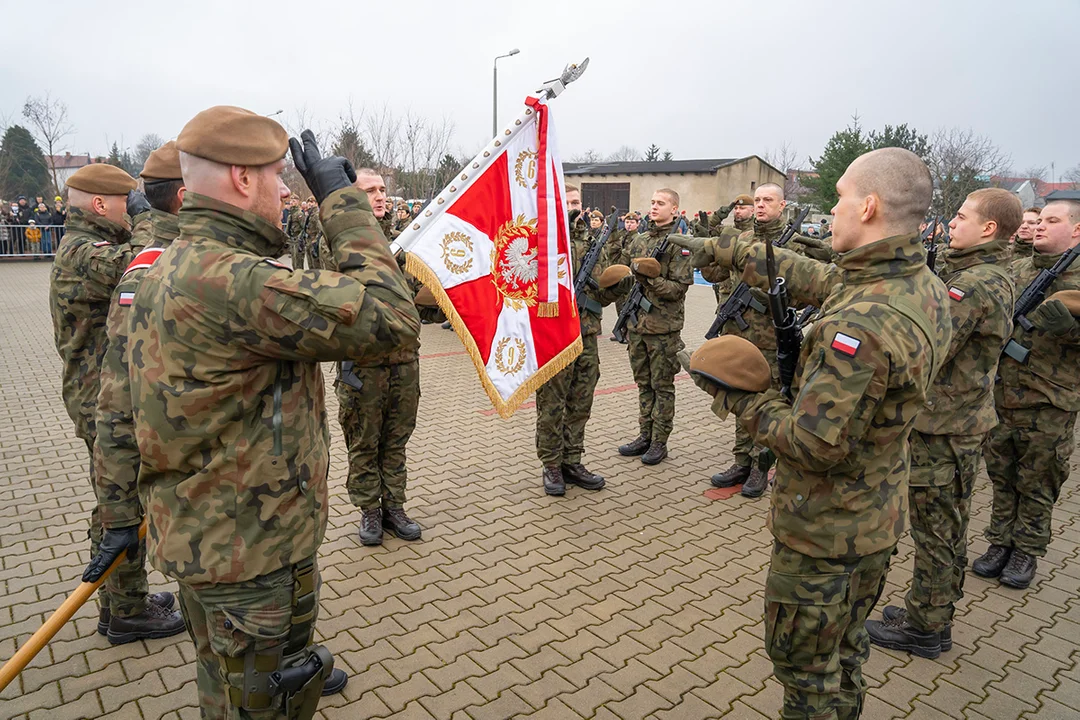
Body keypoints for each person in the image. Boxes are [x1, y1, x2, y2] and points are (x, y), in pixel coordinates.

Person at [127, 106, 421, 717]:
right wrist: (342, 200)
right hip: (252, 556)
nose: (287, 189)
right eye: (276, 174)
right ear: (241, 178)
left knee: (225, 691)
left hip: (207, 538)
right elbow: (394, 319)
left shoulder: (174, 262)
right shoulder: (236, 280)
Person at [671, 147, 952, 718]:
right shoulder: (916, 282)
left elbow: (813, 443)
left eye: (842, 197)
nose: (835, 208)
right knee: (844, 654)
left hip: (826, 531)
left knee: (807, 676)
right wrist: (728, 249)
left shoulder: (861, 324)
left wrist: (737, 396)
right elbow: (822, 278)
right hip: (872, 516)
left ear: (868, 206)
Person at [865, 188, 1019, 659]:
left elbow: (930, 348)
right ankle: (927, 611)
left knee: (936, 529)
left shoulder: (972, 285)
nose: (952, 223)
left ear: (988, 228)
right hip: (957, 423)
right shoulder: (989, 274)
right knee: (947, 522)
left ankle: (925, 627)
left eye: (962, 216)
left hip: (942, 429)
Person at [49, 163, 185, 644]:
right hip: (100, 395)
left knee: (118, 498)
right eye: (127, 203)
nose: (133, 212)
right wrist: (151, 217)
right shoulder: (87, 251)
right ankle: (126, 611)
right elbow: (140, 260)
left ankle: (120, 603)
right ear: (102, 205)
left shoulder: (80, 245)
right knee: (120, 502)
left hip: (98, 388)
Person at [976, 191, 1080, 589]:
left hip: (1051, 400)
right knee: (1002, 473)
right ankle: (999, 542)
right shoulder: (1017, 270)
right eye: (1039, 221)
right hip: (1004, 395)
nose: (1038, 226)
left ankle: (1026, 551)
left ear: (1075, 230)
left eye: (1052, 221)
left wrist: (1070, 332)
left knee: (1039, 480)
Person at [703, 184, 813, 498]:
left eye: (768, 200)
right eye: (759, 200)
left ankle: (759, 467)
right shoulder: (742, 240)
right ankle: (740, 460)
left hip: (770, 339)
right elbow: (715, 274)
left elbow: (809, 295)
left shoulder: (796, 247)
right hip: (738, 336)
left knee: (768, 404)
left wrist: (771, 299)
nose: (761, 205)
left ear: (782, 206)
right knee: (740, 398)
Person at [336, 167, 425, 545]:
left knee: (396, 440)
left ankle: (394, 506)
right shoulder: (339, 243)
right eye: (370, 190)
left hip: (404, 360)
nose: (380, 196)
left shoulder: (406, 241)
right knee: (364, 440)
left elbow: (418, 292)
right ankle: (369, 510)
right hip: (364, 364)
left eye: (383, 189)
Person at [537, 185, 630, 495]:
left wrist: (619, 287)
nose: (574, 208)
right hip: (555, 336)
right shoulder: (544, 242)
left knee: (581, 401)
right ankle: (551, 464)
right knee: (552, 404)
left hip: (587, 334)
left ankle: (572, 459)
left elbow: (600, 295)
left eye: (577, 202)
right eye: (567, 203)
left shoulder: (594, 242)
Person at [614, 188, 694, 465]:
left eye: (661, 203)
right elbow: (628, 278)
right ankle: (644, 435)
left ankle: (660, 441)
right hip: (638, 325)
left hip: (663, 328)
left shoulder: (679, 245)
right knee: (643, 384)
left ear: (674, 209)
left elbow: (677, 289)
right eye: (652, 202)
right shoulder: (640, 241)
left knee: (662, 386)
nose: (654, 207)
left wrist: (651, 279)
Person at [699, 194, 753, 302]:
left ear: (752, 210)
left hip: (746, 296)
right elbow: (701, 228)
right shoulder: (727, 232)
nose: (737, 211)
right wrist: (717, 217)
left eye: (742, 208)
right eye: (736, 208)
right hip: (725, 294)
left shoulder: (755, 234)